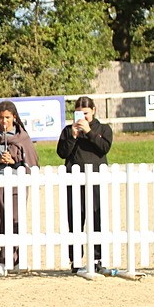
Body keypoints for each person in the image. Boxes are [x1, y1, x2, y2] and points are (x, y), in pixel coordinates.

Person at [0, 100, 39, 276]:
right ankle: (2, 261)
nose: (4, 121)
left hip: (16, 183)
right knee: (1, 219)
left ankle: (18, 260)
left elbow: (31, 162)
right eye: (1, 118)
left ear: (14, 117)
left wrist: (14, 161)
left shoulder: (22, 137)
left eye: (8, 117)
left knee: (15, 219)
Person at [56, 95, 113, 274]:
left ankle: (98, 258)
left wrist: (89, 132)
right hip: (74, 178)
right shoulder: (68, 130)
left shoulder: (103, 128)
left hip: (96, 177)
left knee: (97, 218)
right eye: (79, 113)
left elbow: (104, 147)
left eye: (86, 113)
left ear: (94, 111)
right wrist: (72, 136)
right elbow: (61, 152)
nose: (83, 117)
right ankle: (76, 260)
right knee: (75, 219)